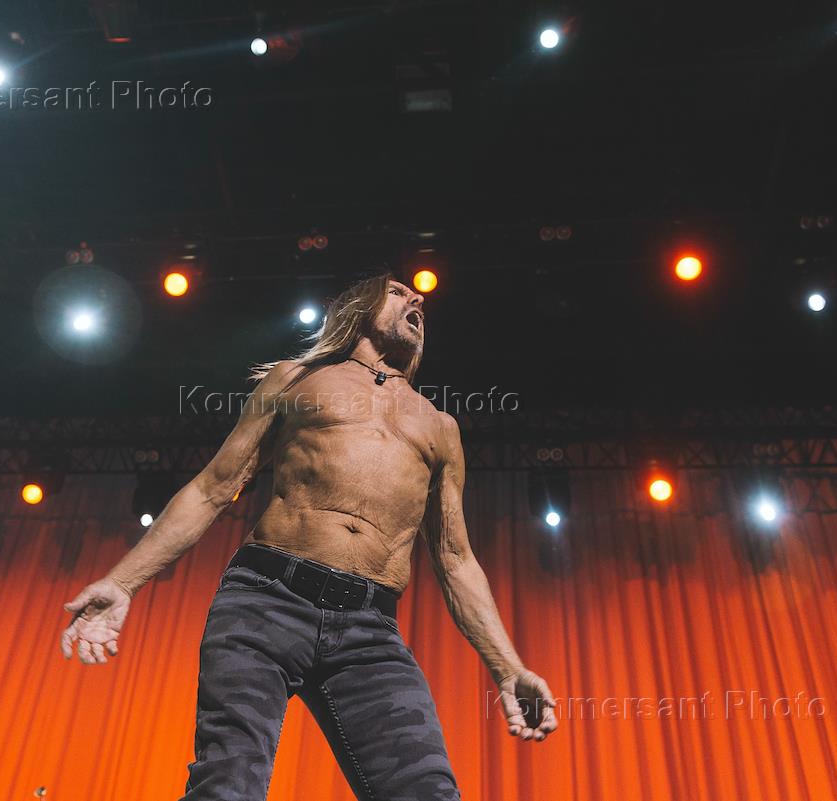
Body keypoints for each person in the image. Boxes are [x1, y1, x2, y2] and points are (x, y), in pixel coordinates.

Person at [60, 272, 558, 801]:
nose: (416, 297)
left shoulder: (440, 427)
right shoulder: (296, 379)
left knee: (427, 792)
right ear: (357, 308)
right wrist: (123, 582)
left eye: (417, 297)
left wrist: (508, 669)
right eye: (396, 291)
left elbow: (456, 559)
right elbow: (212, 488)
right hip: (265, 602)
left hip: (369, 630)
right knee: (228, 784)